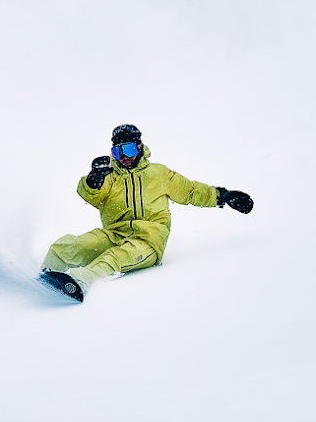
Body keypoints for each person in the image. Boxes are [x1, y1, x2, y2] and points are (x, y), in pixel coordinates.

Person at [38, 124, 254, 301]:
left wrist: (225, 196)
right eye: (119, 151)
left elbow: (192, 191)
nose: (125, 157)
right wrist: (94, 179)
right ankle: (46, 275)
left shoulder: (159, 173)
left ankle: (77, 282)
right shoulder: (110, 175)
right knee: (67, 246)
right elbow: (91, 195)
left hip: (149, 241)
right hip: (114, 234)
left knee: (112, 258)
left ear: (140, 148)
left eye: (130, 149)